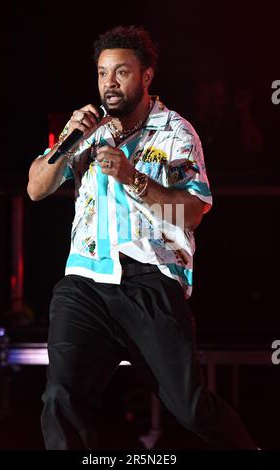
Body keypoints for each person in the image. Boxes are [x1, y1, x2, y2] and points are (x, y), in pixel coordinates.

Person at [27, 25, 257, 450]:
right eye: (101, 73)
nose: (109, 84)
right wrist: (64, 143)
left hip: (150, 282)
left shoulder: (176, 132)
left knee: (190, 409)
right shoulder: (86, 129)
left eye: (121, 73)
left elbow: (189, 213)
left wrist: (134, 180)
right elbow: (36, 189)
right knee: (61, 397)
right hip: (85, 283)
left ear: (146, 76)